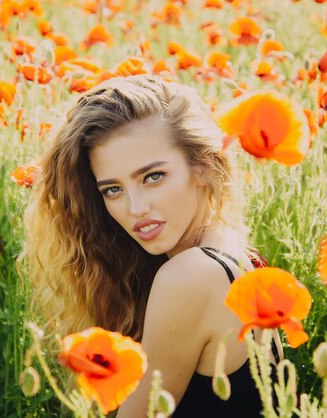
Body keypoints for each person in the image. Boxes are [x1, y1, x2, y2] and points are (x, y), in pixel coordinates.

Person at [22, 74, 283, 417]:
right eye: (112, 189)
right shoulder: (232, 245)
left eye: (153, 177)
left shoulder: (189, 276)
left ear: (203, 165)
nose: (135, 208)